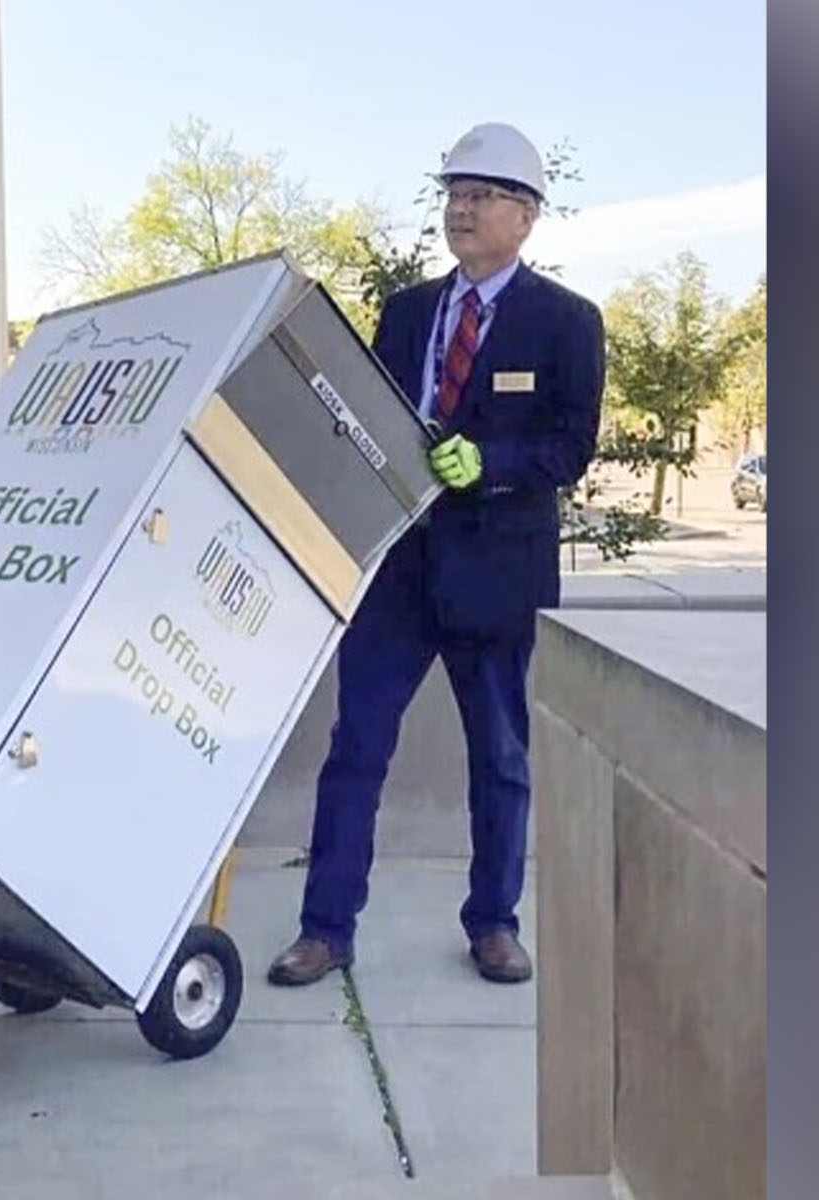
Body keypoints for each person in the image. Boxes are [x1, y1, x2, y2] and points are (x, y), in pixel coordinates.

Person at [268, 122, 605, 987]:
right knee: (357, 749)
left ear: (526, 217)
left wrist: (488, 465)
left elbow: (570, 446)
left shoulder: (567, 323)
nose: (462, 208)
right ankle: (326, 928)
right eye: (456, 193)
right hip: (400, 572)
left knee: (498, 757)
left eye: (483, 195)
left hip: (496, 574)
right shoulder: (410, 313)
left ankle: (494, 922)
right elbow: (370, 422)